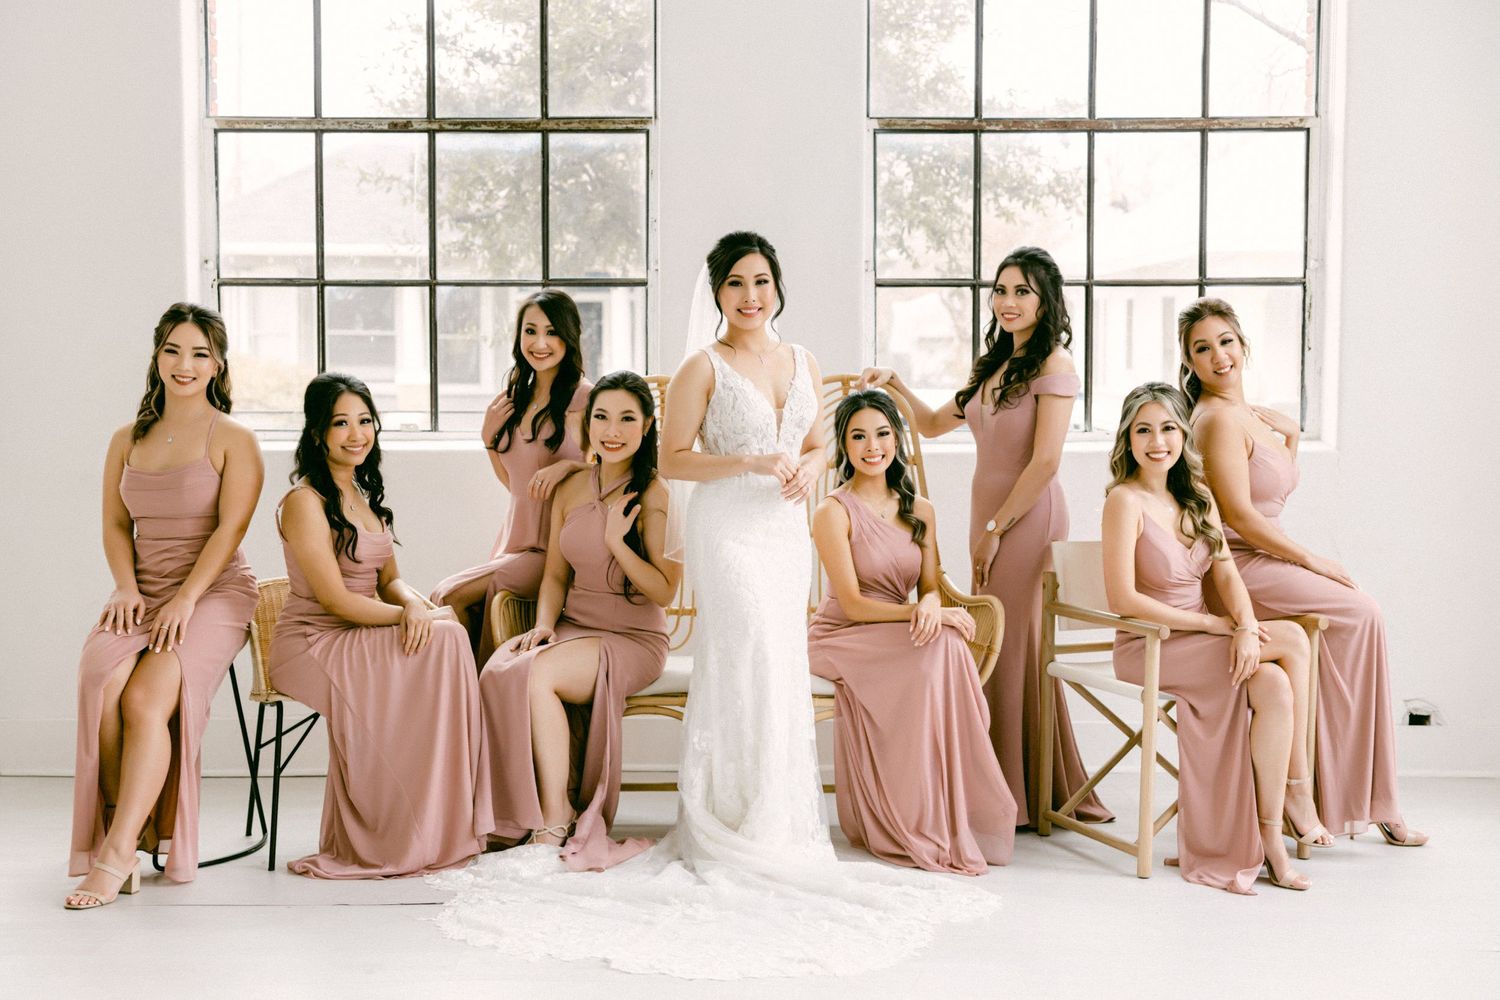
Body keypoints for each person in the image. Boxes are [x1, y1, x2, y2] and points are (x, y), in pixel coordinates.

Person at [432, 234, 997, 980]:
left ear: (777, 286)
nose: (750, 296)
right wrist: (751, 461)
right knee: (748, 651)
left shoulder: (804, 361)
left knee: (777, 663)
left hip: (784, 531)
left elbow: (819, 442)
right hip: (728, 527)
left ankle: (777, 818)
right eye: (735, 283)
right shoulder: (704, 365)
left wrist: (811, 465)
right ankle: (725, 816)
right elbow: (672, 458)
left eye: (761, 281)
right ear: (718, 291)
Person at [859, 245, 1109, 827]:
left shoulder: (1054, 364)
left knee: (1013, 645)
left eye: (1022, 291)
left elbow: (1045, 463)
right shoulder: (995, 364)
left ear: (1046, 300)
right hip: (988, 518)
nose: (1007, 301)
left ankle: (1020, 793)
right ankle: (1009, 785)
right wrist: (895, 383)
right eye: (1000, 290)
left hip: (1027, 519)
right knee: (995, 642)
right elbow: (930, 425)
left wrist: (996, 530)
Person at [1180, 297, 1426, 847]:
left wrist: (1289, 437)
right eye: (1202, 349)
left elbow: (1271, 490)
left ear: (1243, 344)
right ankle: (1353, 797)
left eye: (1225, 341)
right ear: (1189, 362)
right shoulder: (1217, 419)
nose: (1218, 355)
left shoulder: (1248, 414)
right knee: (1361, 615)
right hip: (1237, 566)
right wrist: (1311, 558)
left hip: (1265, 556)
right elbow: (1239, 516)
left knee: (1358, 622)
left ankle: (1365, 797)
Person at [67, 303, 262, 908]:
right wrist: (126, 587)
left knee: (145, 699)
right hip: (143, 588)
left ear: (217, 365)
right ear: (157, 356)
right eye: (173, 350)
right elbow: (114, 523)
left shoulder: (234, 439)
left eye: (200, 353)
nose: (185, 364)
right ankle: (127, 825)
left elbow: (230, 530)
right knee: (102, 681)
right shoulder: (125, 439)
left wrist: (185, 598)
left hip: (214, 591)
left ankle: (117, 852)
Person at [271, 372, 491, 878]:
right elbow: (335, 600)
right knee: (446, 636)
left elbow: (390, 581)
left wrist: (415, 605)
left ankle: (440, 822)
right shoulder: (305, 502)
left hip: (357, 633)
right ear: (317, 432)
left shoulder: (364, 496)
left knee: (448, 633)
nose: (356, 434)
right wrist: (411, 615)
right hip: (312, 642)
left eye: (365, 421)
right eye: (341, 423)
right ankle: (402, 830)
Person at [1102, 383, 1311, 893]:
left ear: (1184, 435)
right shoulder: (1123, 501)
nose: (1157, 442)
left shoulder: (1197, 498)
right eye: (1143, 430)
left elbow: (1228, 575)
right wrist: (1218, 626)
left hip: (1202, 644)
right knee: (1290, 638)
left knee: (1274, 686)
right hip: (1149, 645)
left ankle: (1269, 837)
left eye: (1168, 428)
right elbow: (1123, 599)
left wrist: (1244, 626)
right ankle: (1299, 791)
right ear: (1127, 438)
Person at [808, 390, 1016, 874]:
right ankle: (912, 814)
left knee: (945, 644)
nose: (872, 446)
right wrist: (922, 614)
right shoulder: (832, 512)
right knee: (939, 645)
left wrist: (932, 604)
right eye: (858, 436)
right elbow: (854, 605)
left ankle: (946, 810)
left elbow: (930, 586)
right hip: (842, 634)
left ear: (898, 440)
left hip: (896, 632)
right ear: (844, 445)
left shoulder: (919, 509)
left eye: (883, 434)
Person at [478, 371, 679, 871]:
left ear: (646, 426)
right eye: (602, 417)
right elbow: (554, 575)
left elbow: (664, 591)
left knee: (538, 676)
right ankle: (511, 814)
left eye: (627, 419)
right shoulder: (570, 487)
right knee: (500, 669)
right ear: (587, 425)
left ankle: (557, 815)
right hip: (573, 627)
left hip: (632, 638)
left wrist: (616, 542)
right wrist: (545, 624)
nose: (613, 430)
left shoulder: (654, 494)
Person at [431, 290, 593, 663]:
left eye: (551, 332)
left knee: (448, 595)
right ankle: (464, 691)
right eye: (530, 331)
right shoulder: (512, 399)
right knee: (451, 602)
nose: (539, 343)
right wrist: (488, 441)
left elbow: (611, 474)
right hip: (514, 543)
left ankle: (473, 689)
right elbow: (517, 485)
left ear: (569, 336)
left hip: (554, 550)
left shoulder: (585, 398)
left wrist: (569, 466)